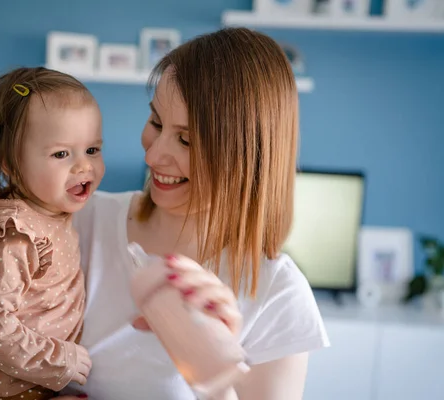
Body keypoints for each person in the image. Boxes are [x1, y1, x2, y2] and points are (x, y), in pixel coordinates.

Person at [59, 27, 330, 400]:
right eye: (156, 122)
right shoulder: (79, 222)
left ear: (248, 155)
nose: (152, 156)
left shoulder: (276, 294)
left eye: (186, 139)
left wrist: (216, 378)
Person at [0, 67, 104, 400]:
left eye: (93, 150)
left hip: (24, 375)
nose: (84, 167)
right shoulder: (14, 237)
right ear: (11, 164)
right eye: (61, 154)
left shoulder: (52, 208)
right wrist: (58, 360)